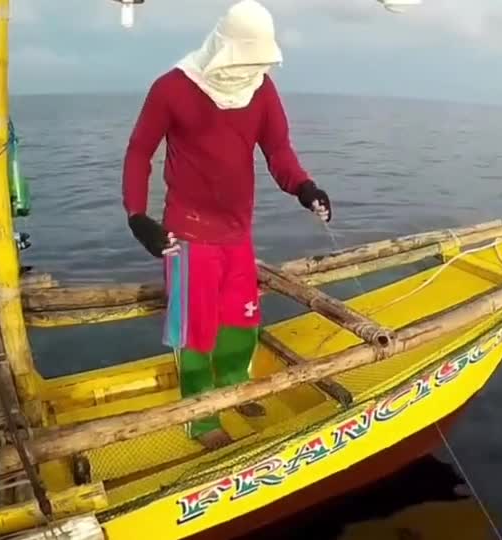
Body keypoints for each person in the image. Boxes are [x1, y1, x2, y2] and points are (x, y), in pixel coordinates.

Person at [121, 0, 331, 450]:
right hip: (188, 236)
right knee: (196, 331)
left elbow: (278, 151)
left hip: (237, 234)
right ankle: (200, 418)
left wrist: (304, 187)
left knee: (241, 322)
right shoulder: (172, 88)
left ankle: (234, 388)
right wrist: (139, 217)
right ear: (224, 47)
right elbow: (140, 151)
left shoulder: (263, 90)